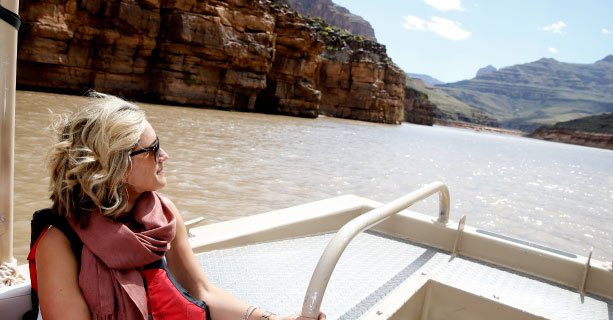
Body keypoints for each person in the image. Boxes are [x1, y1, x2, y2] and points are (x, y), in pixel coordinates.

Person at [26, 92, 326, 320]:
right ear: (116, 164)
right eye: (153, 149)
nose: (165, 156)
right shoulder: (58, 242)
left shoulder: (163, 216)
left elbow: (203, 292)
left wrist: (271, 319)